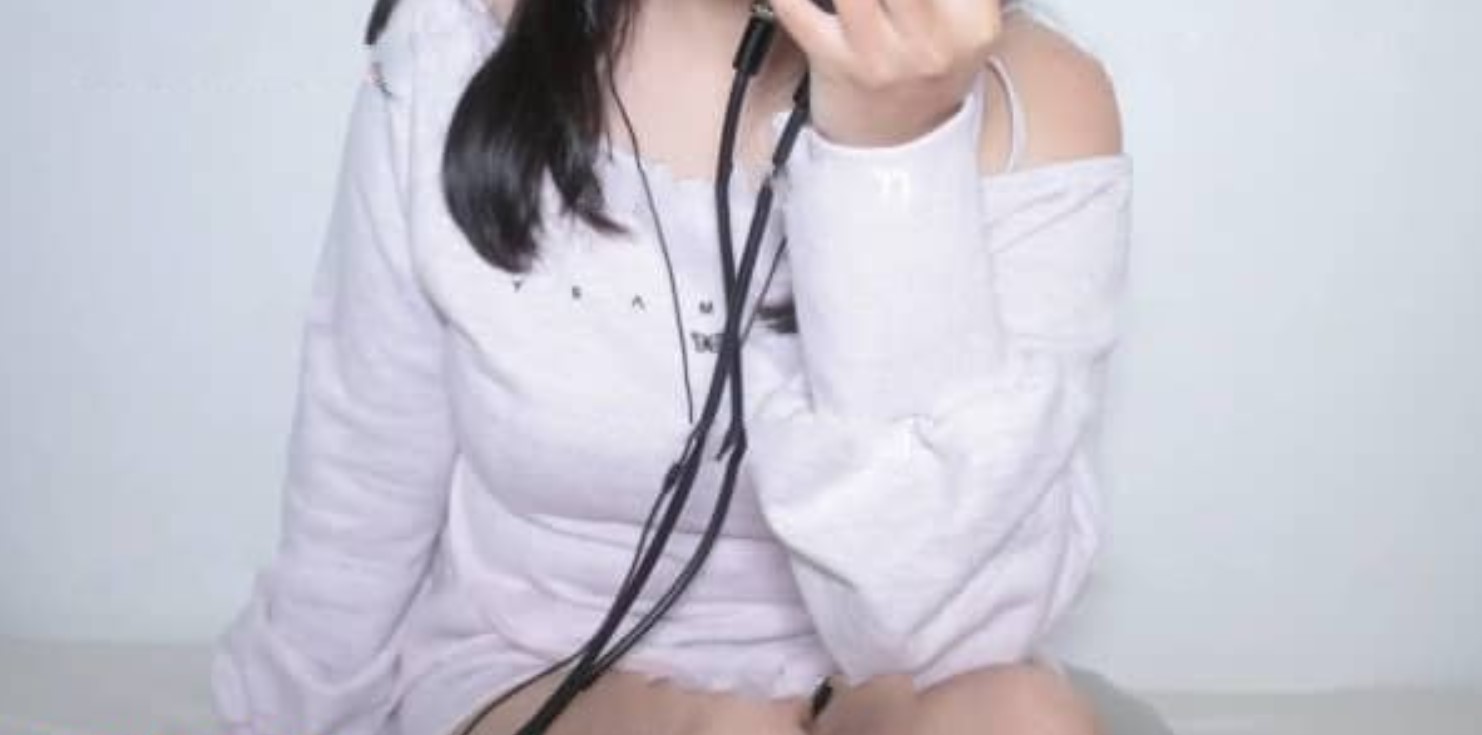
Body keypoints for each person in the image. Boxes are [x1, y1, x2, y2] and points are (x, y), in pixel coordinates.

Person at [208, 0, 1132, 733]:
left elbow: (954, 631)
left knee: (1025, 718)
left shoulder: (1036, 103)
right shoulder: (456, 49)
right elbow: (362, 480)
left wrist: (891, 153)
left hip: (880, 678)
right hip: (536, 668)